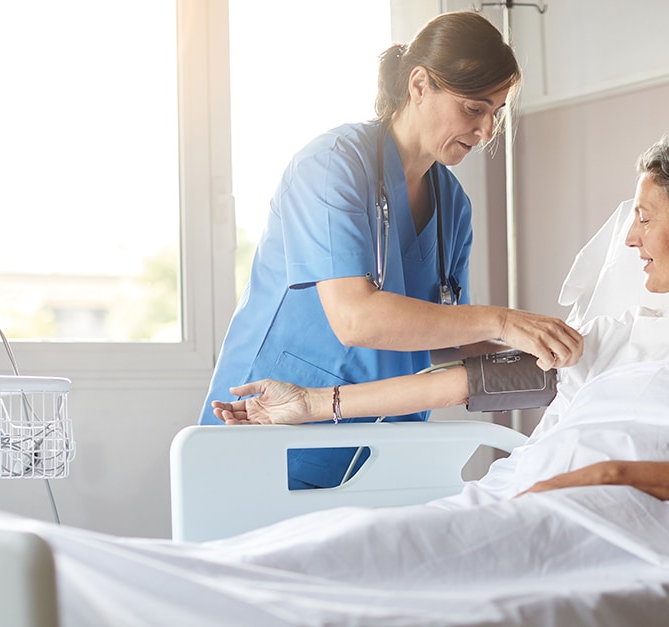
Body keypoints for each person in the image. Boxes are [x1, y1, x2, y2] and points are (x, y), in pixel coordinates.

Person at [215, 129, 669, 516]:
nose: (629, 237)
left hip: (608, 511)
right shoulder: (617, 332)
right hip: (521, 498)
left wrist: (606, 478)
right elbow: (467, 382)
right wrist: (306, 405)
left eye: (645, 218)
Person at [200, 10, 583, 490]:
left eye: (496, 112)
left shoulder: (453, 205)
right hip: (268, 425)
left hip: (381, 448)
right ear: (419, 85)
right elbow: (355, 318)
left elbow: (444, 336)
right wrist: (505, 321)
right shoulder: (331, 166)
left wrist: (545, 354)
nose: (487, 131)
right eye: (473, 108)